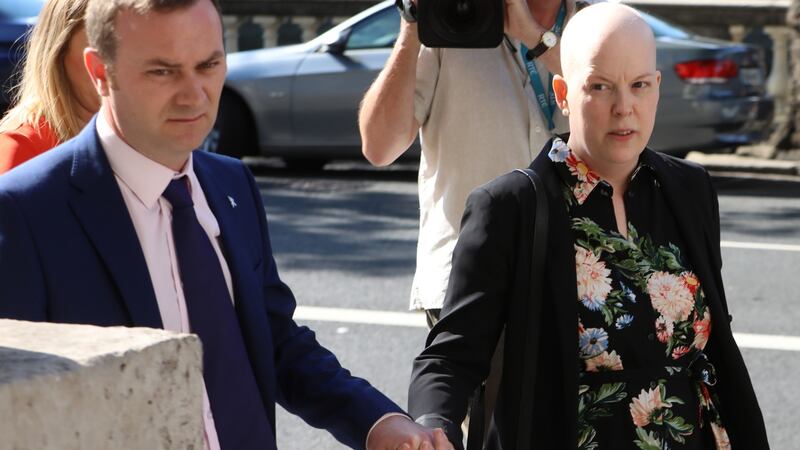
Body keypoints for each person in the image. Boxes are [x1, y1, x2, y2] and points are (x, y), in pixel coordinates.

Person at [0, 1, 454, 449]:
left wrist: (377, 421)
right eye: (163, 71)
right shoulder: (26, 211)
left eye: (209, 64)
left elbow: (275, 340)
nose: (194, 94)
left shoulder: (231, 182)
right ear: (100, 72)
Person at [408, 3, 769, 449]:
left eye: (639, 85)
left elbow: (714, 339)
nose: (624, 108)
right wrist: (430, 426)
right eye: (599, 87)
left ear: (657, 87)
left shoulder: (689, 188)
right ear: (563, 92)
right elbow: (452, 354)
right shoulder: (510, 206)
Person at [359, 0, 582, 323]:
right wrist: (413, 23)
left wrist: (535, 38)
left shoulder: (596, 26)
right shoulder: (446, 22)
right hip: (469, 283)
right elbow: (380, 147)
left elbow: (622, 111)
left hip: (579, 280)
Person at [0, 0, 99, 174]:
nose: (118, 64)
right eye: (101, 48)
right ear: (58, 53)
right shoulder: (21, 149)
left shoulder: (142, 139)